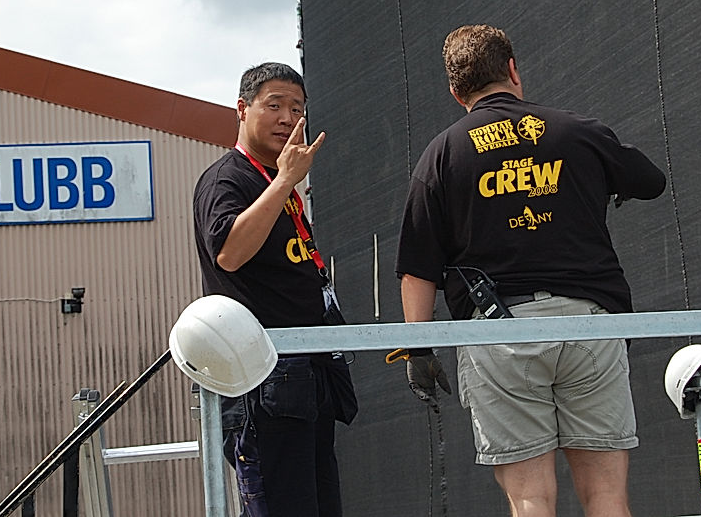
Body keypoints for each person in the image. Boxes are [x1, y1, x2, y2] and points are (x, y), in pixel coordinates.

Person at [395, 25, 665, 517]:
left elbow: (417, 270)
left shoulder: (442, 155)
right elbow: (650, 180)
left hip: (500, 334)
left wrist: (419, 351)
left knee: (530, 499)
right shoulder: (577, 131)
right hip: (589, 325)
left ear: (457, 93)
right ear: (514, 70)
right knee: (607, 496)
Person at [193, 62, 356, 517]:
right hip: (263, 378)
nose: (288, 118)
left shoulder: (276, 184)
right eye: (275, 105)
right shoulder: (228, 179)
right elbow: (228, 251)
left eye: (298, 108)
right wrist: (285, 179)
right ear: (242, 110)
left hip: (305, 372)